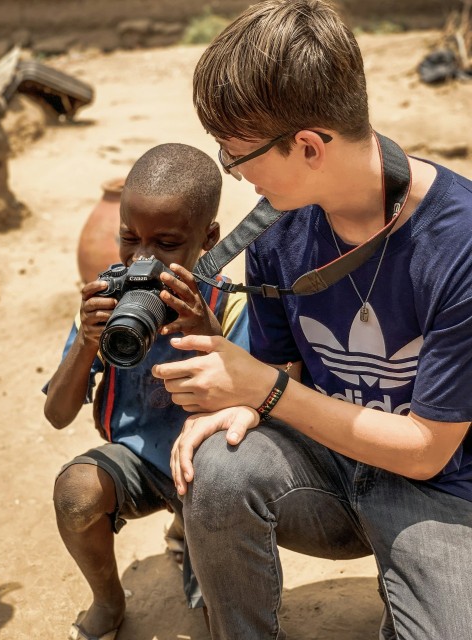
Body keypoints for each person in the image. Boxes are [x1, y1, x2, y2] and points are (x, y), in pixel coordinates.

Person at [152, 2, 472, 639]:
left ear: (307, 146)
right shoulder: (276, 228)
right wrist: (240, 403)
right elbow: (282, 366)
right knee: (217, 464)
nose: (233, 172)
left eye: (236, 155)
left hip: (439, 489)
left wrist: (264, 392)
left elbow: (428, 453)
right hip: (329, 465)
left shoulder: (459, 243)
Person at [43, 143, 249, 640]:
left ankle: (189, 529)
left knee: (215, 624)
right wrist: (88, 343)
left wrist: (203, 332)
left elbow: (247, 411)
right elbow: (57, 414)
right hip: (136, 458)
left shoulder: (229, 306)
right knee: (75, 494)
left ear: (209, 238)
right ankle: (109, 599)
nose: (142, 259)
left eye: (168, 242)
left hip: (207, 472)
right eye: (129, 238)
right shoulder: (106, 302)